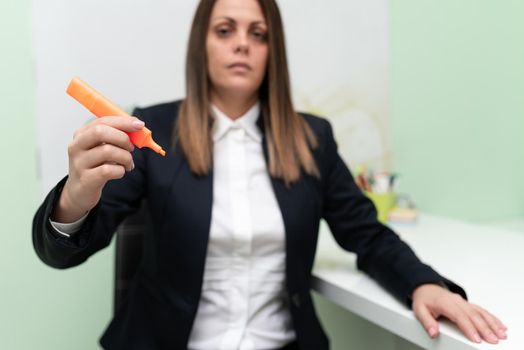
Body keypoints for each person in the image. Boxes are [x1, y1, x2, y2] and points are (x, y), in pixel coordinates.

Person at [32, 0, 507, 349]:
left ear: (272, 50)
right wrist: (76, 196)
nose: (243, 42)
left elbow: (366, 234)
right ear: (202, 45)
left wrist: (424, 284)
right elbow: (62, 254)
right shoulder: (152, 130)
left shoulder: (312, 138)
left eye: (258, 33)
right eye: (225, 30)